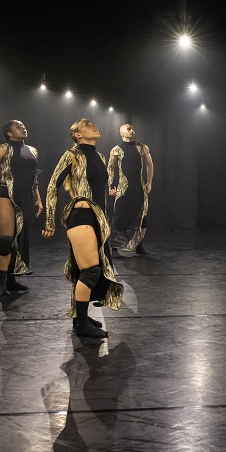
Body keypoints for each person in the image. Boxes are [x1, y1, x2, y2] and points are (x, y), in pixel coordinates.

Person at [44, 119, 124, 338]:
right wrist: (49, 221)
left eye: (94, 123)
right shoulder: (71, 155)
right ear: (77, 135)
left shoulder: (100, 157)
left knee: (85, 270)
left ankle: (80, 317)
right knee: (90, 271)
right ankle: (81, 325)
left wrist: (105, 222)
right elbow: (52, 186)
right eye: (87, 124)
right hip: (81, 215)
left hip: (97, 219)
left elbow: (100, 190)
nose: (94, 126)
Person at [0, 119, 42, 297]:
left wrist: (38, 200)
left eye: (23, 125)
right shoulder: (2, 149)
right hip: (5, 194)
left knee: (20, 238)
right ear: (9, 133)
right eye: (17, 126)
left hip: (26, 197)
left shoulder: (32, 150)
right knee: (6, 240)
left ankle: (11, 280)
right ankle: (1, 284)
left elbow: (34, 178)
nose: (23, 128)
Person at [107, 123, 154, 257]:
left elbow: (150, 164)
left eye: (133, 128)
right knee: (118, 217)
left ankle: (139, 246)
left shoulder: (142, 147)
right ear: (121, 133)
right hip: (123, 189)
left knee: (143, 218)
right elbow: (110, 168)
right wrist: (111, 186)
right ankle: (114, 249)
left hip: (139, 188)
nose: (132, 130)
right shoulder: (116, 150)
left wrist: (149, 182)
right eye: (128, 129)